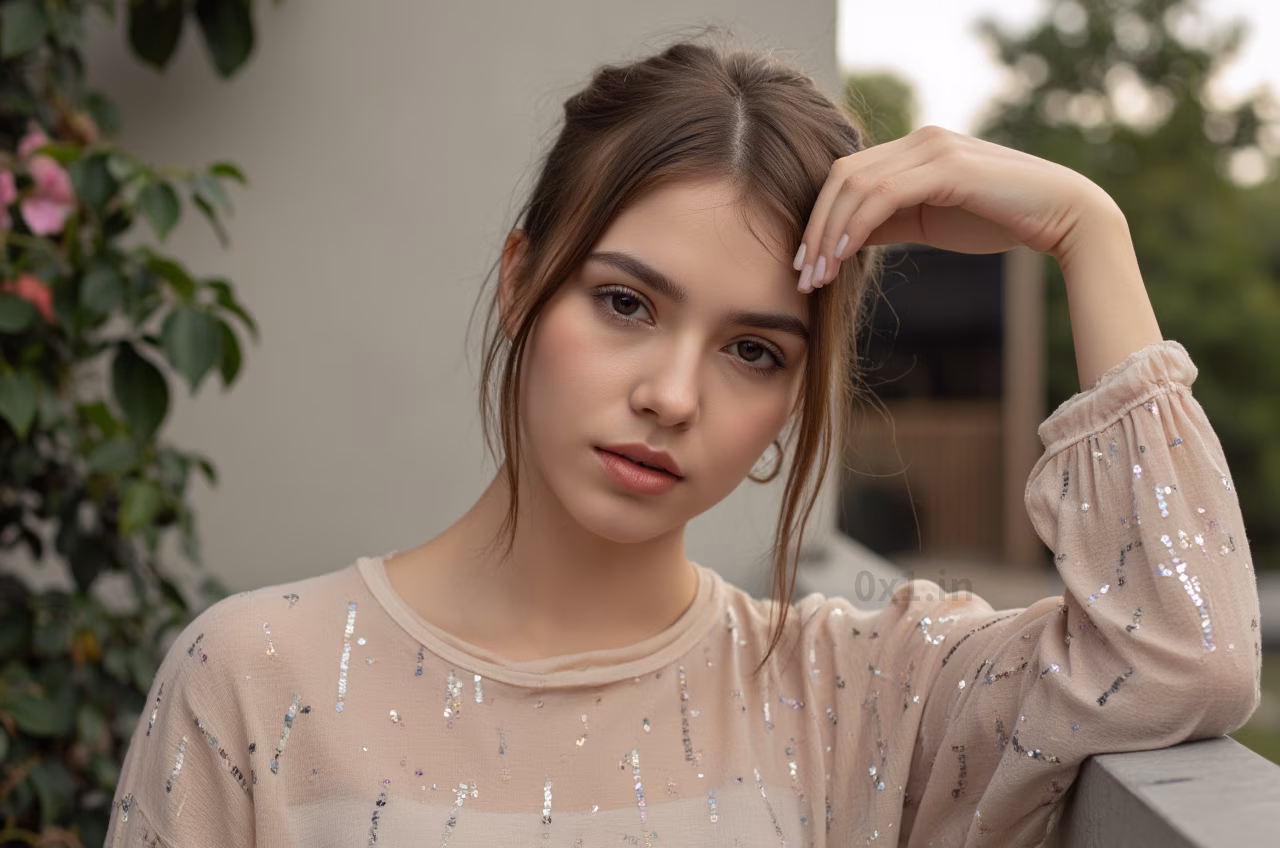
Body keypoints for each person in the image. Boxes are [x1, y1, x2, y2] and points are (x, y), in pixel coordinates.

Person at [103, 33, 1262, 847]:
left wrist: (1082, 227)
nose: (669, 393)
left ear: (791, 401)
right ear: (521, 282)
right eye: (624, 303)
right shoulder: (254, 680)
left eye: (753, 350)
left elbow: (1186, 650)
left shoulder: (857, 693)